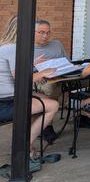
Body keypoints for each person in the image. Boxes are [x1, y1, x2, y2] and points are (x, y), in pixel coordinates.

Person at [0, 16, 59, 165]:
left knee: (43, 96)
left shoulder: (7, 46)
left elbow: (14, 71)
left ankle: (27, 142)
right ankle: (24, 146)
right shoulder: (14, 48)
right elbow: (20, 80)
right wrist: (43, 72)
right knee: (53, 106)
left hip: (11, 96)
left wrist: (33, 64)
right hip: (7, 102)